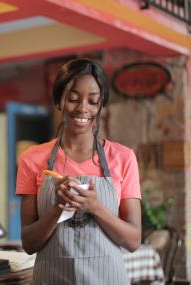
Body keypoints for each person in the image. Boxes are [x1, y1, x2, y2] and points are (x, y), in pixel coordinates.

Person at [16, 58, 141, 284]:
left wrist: (95, 207)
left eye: (93, 101)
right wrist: (57, 208)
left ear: (101, 105)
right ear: (59, 101)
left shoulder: (123, 158)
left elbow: (133, 241)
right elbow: (29, 244)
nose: (83, 108)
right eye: (73, 99)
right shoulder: (33, 159)